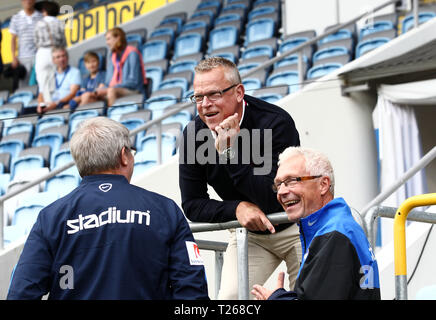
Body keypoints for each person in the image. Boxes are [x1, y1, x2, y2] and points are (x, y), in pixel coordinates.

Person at [7, 117, 209, 300]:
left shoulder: (51, 217)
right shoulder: (165, 210)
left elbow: (22, 292)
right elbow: (192, 291)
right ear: (124, 156)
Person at [179, 57, 301, 299]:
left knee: (311, 295)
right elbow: (192, 204)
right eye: (198, 97)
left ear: (238, 92)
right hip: (249, 232)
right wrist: (236, 209)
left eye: (213, 94)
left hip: (294, 225)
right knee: (229, 301)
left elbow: (275, 198)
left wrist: (228, 153)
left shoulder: (275, 122)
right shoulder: (193, 134)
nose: (204, 104)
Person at [251, 147, 381, 300]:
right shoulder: (336, 228)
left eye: (292, 181)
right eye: (278, 184)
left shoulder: (333, 235)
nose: (281, 192)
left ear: (323, 185)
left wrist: (276, 298)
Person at [89, 27, 147, 107]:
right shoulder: (112, 56)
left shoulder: (132, 53)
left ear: (118, 38)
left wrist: (110, 88)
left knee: (111, 91)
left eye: (109, 39)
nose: (107, 43)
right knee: (89, 96)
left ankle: (110, 118)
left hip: (133, 90)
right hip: (115, 89)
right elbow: (108, 82)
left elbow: (133, 82)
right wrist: (101, 89)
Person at [34, 1, 66, 104]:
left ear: (45, 11)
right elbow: (64, 41)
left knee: (42, 80)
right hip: (56, 51)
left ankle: (45, 103)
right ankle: (55, 101)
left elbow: (36, 40)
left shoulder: (39, 23)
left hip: (43, 52)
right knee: (55, 77)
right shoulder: (60, 22)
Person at [8, 0, 43, 89]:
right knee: (23, 86)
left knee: (39, 84)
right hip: (23, 58)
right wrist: (14, 57)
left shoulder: (41, 16)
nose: (28, 1)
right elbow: (13, 39)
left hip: (38, 56)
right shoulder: (16, 17)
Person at [36, 46, 81, 114]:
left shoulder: (74, 72)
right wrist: (41, 105)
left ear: (67, 57)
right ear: (53, 60)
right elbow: (41, 94)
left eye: (63, 56)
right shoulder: (48, 75)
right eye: (58, 57)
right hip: (48, 107)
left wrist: (56, 104)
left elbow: (73, 93)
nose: (61, 59)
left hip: (64, 107)